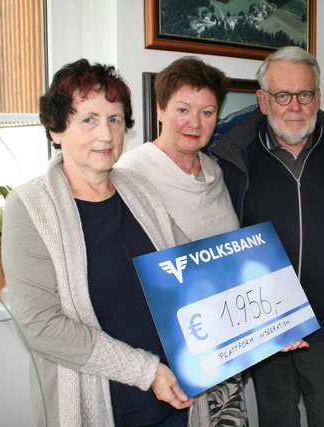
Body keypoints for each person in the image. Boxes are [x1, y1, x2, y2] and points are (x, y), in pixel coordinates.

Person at [2, 59, 193, 426]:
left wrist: (266, 326)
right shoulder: (29, 208)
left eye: (115, 119)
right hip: (102, 406)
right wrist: (146, 370)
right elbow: (41, 326)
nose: (105, 134)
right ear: (56, 130)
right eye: (88, 119)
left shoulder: (140, 190)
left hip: (173, 399)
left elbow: (193, 265)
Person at [211, 46, 324, 427]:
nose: (295, 105)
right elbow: (219, 250)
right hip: (266, 332)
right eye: (282, 95)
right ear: (263, 100)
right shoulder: (234, 162)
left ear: (318, 97)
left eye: (304, 94)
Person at [115, 56, 247, 426]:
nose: (195, 122)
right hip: (168, 359)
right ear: (159, 109)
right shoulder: (130, 173)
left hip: (223, 346)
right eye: (183, 109)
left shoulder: (215, 171)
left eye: (207, 112)